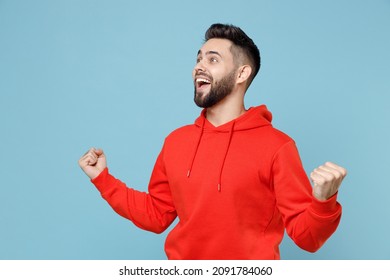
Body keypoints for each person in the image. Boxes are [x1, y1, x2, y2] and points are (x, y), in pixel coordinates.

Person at [78, 23, 347, 260]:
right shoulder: (176, 141)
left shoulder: (277, 147)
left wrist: (324, 201)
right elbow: (156, 214)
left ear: (242, 74)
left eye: (213, 59)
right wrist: (103, 178)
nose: (199, 66)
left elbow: (307, 238)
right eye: (198, 58)